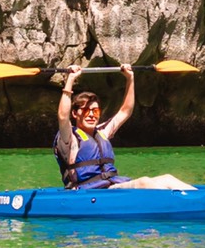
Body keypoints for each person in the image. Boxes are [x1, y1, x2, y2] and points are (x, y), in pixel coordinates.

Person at [56, 65, 196, 191]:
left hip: (111, 185)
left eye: (96, 111)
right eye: (86, 110)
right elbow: (62, 116)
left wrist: (130, 78)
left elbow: (125, 111)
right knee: (144, 183)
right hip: (88, 191)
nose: (91, 115)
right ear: (75, 113)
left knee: (167, 178)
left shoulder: (103, 131)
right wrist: (71, 79)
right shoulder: (69, 136)